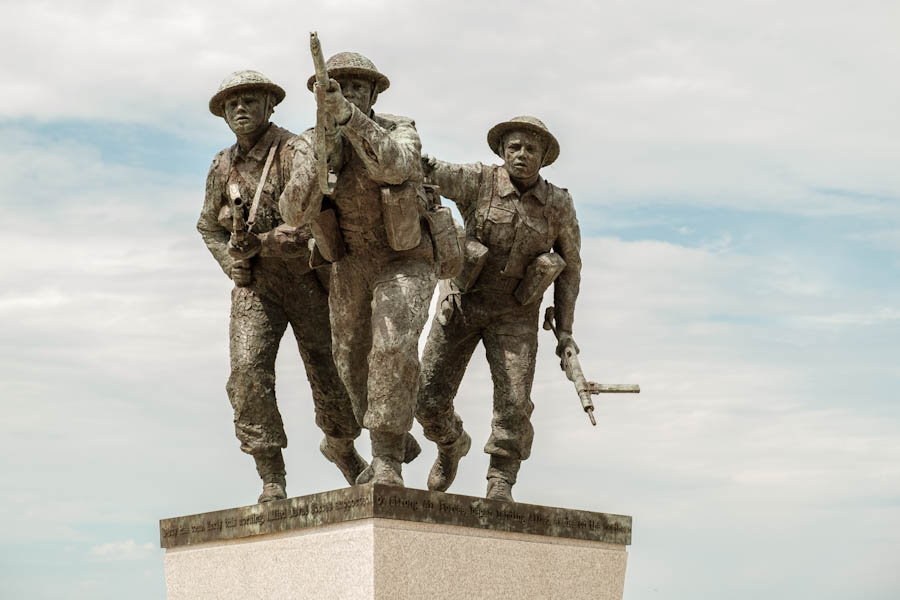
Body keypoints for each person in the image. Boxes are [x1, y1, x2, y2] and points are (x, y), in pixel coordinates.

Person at [198, 70, 365, 503]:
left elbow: (305, 220)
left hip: (307, 278)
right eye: (232, 103)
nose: (240, 109)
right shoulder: (222, 164)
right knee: (247, 374)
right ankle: (271, 473)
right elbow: (207, 226)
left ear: (270, 105)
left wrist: (261, 244)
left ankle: (343, 448)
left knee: (330, 374)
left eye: (250, 100)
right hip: (257, 287)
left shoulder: (294, 150)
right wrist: (231, 263)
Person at [280, 52, 436, 486]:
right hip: (351, 263)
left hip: (405, 258)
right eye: (337, 87)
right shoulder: (310, 141)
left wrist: (349, 119)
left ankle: (386, 458)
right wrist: (321, 154)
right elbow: (292, 212)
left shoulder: (399, 128)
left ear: (371, 94)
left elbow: (397, 164)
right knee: (350, 363)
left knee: (392, 346)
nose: (347, 93)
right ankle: (391, 428)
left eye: (356, 88)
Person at [416, 116, 582, 502]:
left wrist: (567, 330)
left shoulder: (558, 204)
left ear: (543, 157)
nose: (522, 154)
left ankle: (501, 479)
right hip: (464, 303)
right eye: (515, 147)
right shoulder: (478, 180)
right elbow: (426, 168)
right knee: (425, 399)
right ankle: (451, 442)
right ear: (503, 151)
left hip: (515, 314)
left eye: (531, 149)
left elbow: (570, 266)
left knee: (514, 401)